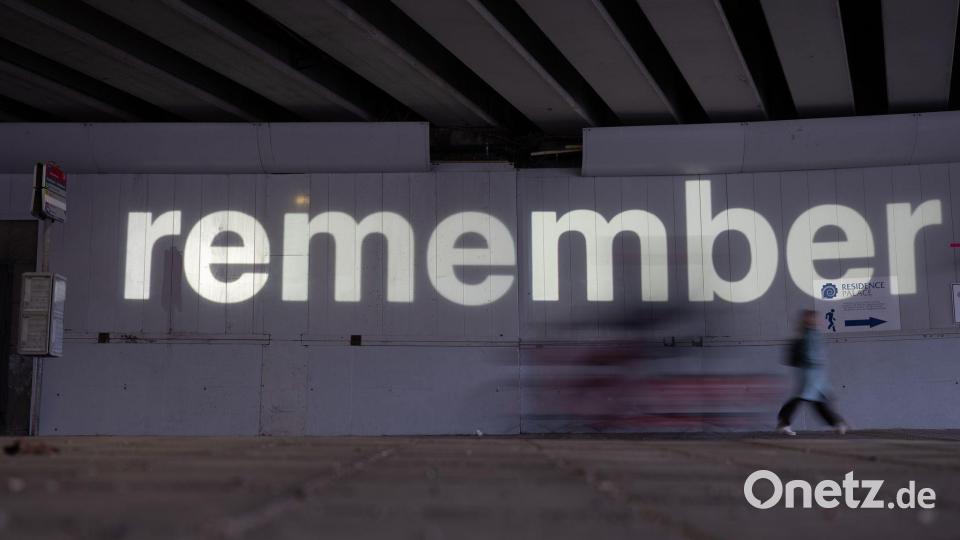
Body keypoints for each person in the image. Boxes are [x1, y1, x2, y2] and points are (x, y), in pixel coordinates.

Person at [776, 309, 849, 436]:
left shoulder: (808, 334)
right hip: (812, 374)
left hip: (813, 374)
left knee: (813, 399)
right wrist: (812, 363)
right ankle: (837, 423)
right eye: (813, 318)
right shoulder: (811, 335)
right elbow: (814, 355)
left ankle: (837, 423)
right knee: (807, 398)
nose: (817, 320)